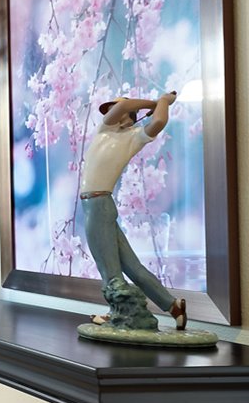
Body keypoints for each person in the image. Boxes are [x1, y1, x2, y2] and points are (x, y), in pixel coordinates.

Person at [79, 91, 188, 332]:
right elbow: (124, 108)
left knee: (110, 271)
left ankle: (116, 312)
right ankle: (173, 306)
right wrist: (157, 102)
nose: (109, 113)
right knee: (133, 268)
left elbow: (158, 121)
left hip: (97, 206)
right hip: (99, 206)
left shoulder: (134, 136)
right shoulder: (106, 130)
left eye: (114, 108)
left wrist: (162, 103)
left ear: (130, 116)